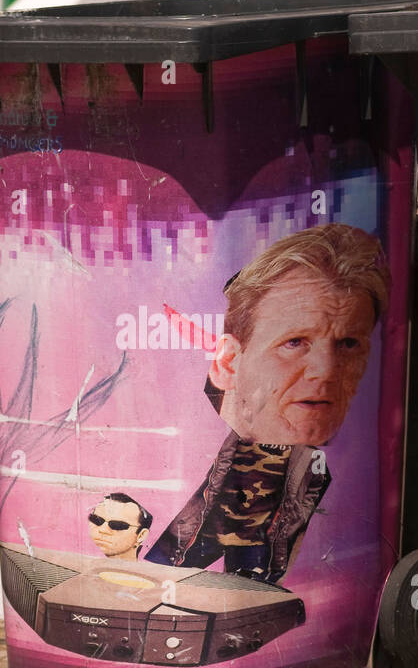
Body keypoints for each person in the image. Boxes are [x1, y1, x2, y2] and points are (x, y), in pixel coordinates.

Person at [145, 224, 388, 584]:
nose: (326, 372)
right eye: (294, 342)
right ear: (229, 362)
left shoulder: (327, 469)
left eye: (349, 344)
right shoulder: (194, 447)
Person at [88, 492, 152, 561]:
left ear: (141, 535)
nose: (103, 530)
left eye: (117, 525)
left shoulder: (153, 571)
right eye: (96, 520)